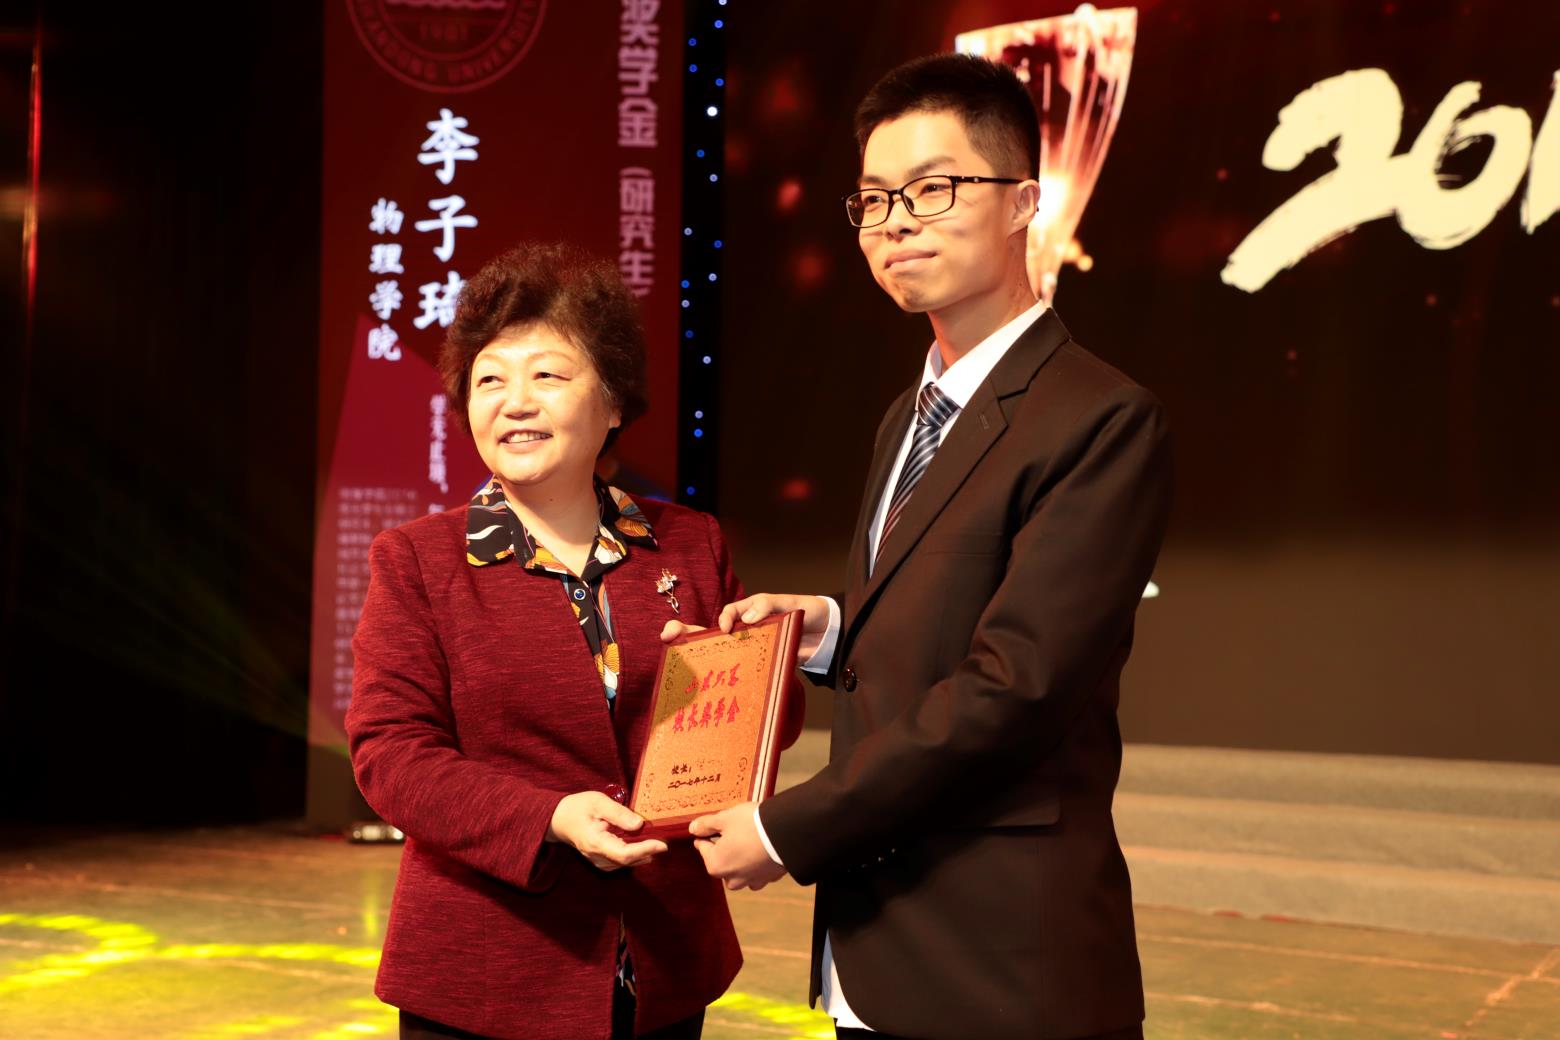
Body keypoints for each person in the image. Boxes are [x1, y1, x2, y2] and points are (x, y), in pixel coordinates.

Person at [686, 54, 1173, 1040]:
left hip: (1000, 962)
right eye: (873, 199)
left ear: (1023, 202)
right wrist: (829, 630)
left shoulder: (1101, 416)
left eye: (933, 188)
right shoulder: (906, 416)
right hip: (875, 946)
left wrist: (786, 827)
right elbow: (938, 619)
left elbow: (1016, 687)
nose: (896, 221)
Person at [347, 242, 797, 1040]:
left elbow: (765, 729)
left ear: (614, 401)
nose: (515, 402)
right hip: (487, 974)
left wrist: (748, 674)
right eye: (490, 380)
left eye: (548, 375)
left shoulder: (688, 542)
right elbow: (391, 755)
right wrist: (551, 817)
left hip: (664, 962)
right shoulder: (417, 560)